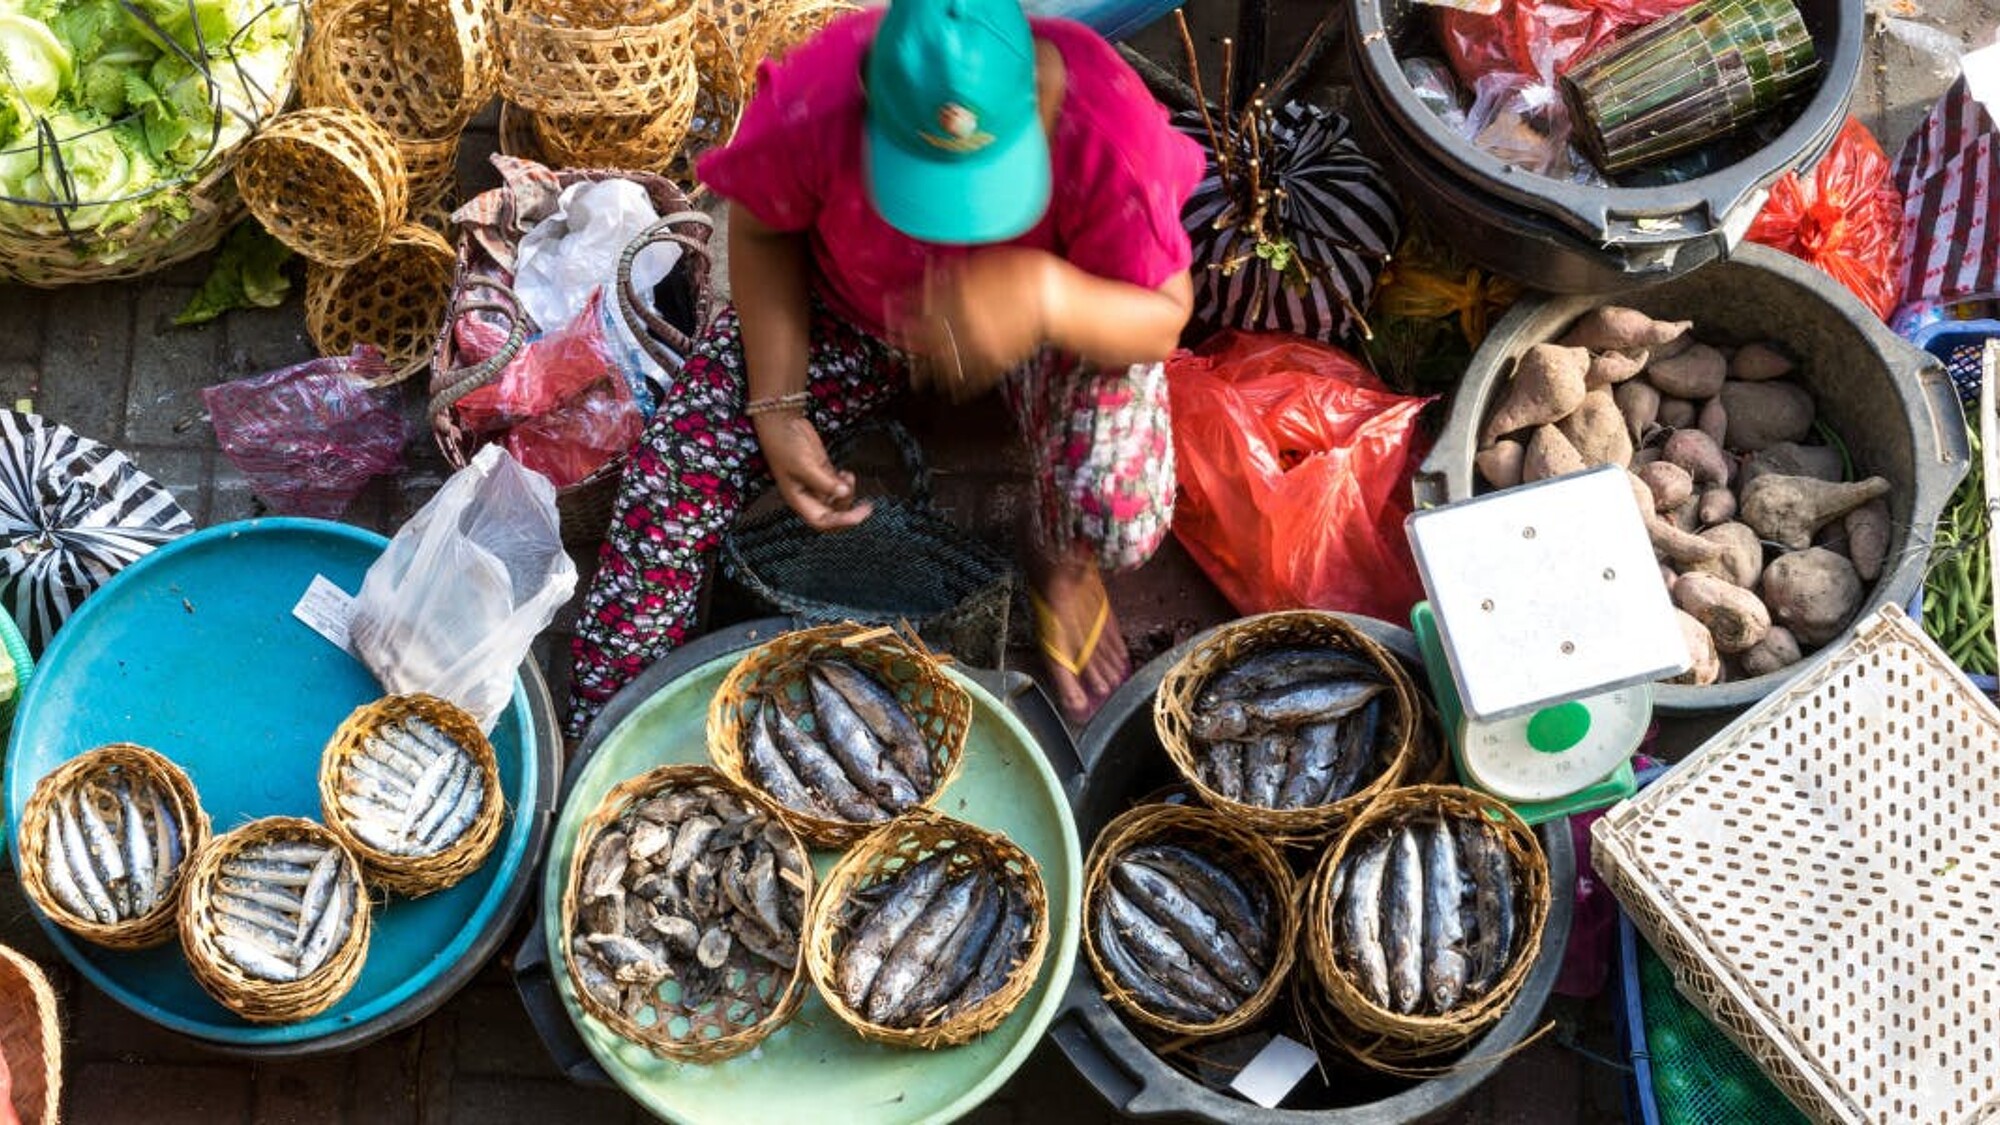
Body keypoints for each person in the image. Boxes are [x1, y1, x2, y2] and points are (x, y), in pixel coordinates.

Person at [564, 0, 1206, 737]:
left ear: (1041, 96)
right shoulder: (818, 96)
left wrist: (1042, 297)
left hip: (1040, 331)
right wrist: (778, 407)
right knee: (673, 473)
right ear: (867, 96)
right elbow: (765, 230)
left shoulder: (1107, 126)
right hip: (852, 318)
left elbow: (1161, 318)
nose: (948, 232)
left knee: (1120, 513)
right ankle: (613, 732)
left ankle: (1060, 565)